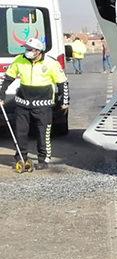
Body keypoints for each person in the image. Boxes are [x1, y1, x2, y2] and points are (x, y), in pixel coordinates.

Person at [1, 38, 68, 169]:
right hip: (22, 103)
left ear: (38, 51)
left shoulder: (51, 63)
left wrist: (65, 101)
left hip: (43, 105)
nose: (27, 52)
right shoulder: (19, 60)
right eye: (26, 49)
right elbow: (8, 78)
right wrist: (1, 95)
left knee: (43, 133)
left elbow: (62, 83)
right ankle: (21, 157)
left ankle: (43, 159)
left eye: (30, 49)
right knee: (20, 132)